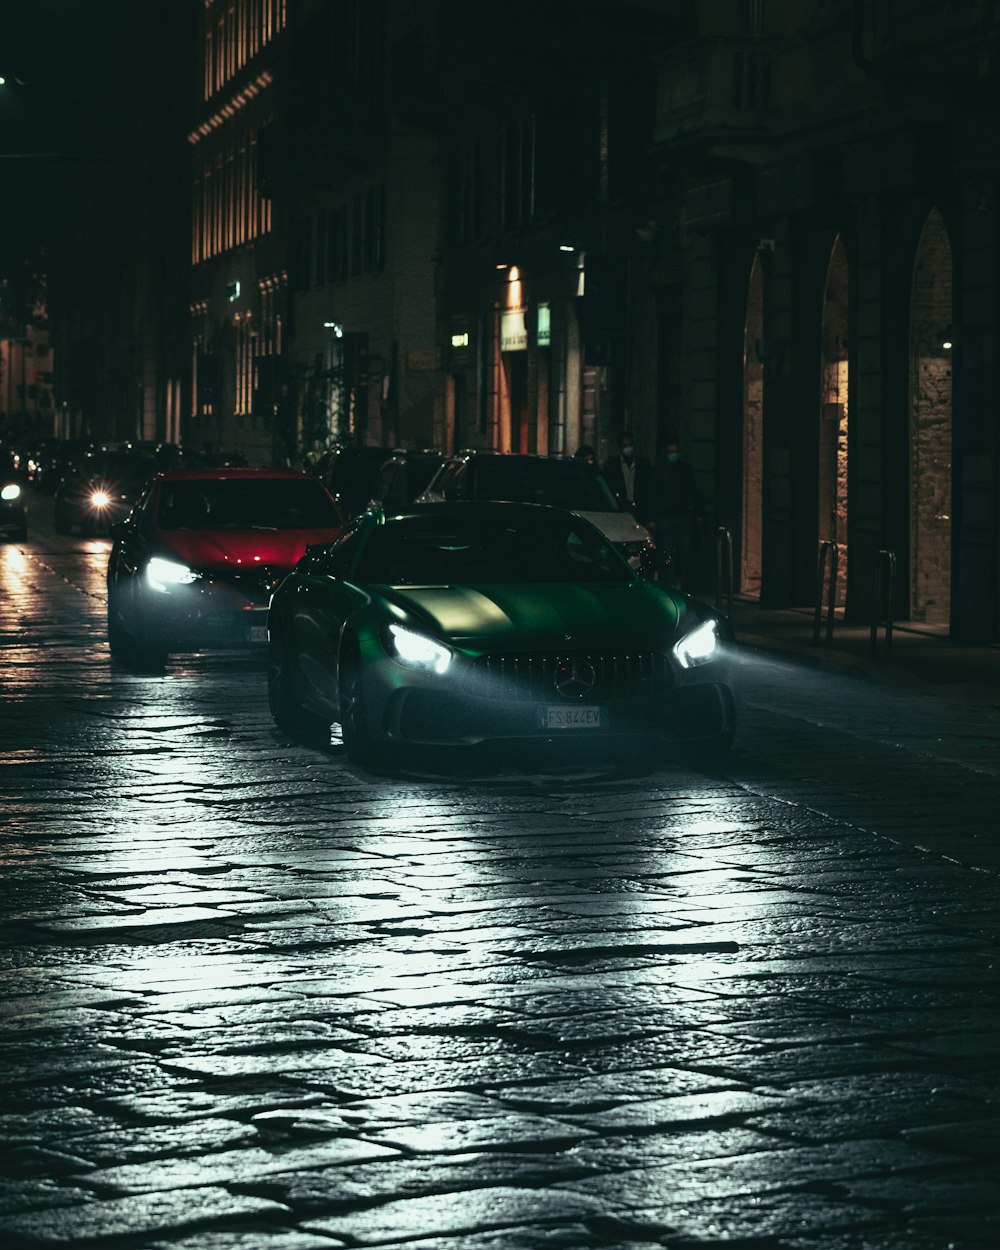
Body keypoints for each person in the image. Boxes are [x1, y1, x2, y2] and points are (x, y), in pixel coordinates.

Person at [650, 436, 705, 587]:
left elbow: (693, 490)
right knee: (666, 551)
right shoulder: (658, 471)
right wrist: (652, 518)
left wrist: (699, 512)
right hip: (665, 515)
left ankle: (677, 578)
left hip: (681, 515)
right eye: (670, 451)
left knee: (684, 550)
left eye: (675, 451)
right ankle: (669, 581)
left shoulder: (685, 469)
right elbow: (652, 495)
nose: (673, 455)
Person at [601, 430, 654, 522]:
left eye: (630, 445)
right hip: (620, 512)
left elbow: (649, 490)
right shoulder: (611, 467)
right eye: (624, 446)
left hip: (640, 511)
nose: (628, 448)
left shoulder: (643, 465)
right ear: (619, 447)